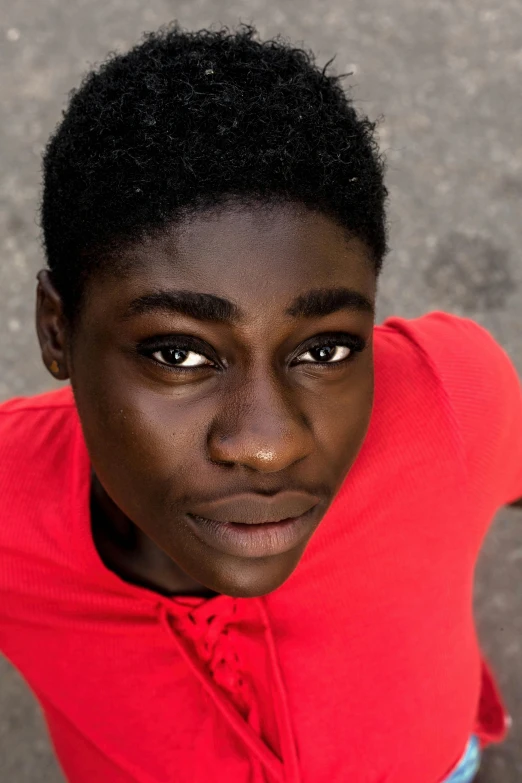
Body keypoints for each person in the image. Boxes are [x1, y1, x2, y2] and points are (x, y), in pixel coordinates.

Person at [0, 21, 521, 783]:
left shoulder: (451, 400)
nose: (270, 444)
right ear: (57, 328)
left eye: (325, 349)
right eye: (178, 353)